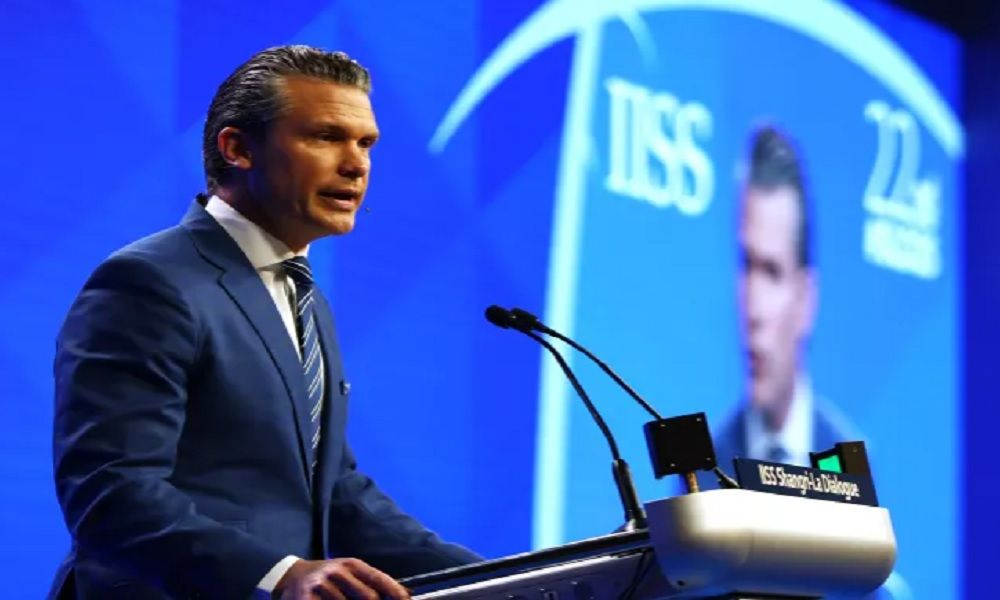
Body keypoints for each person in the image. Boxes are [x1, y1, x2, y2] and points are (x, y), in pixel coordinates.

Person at [49, 45, 480, 600]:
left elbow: (337, 494)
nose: (356, 165)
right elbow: (109, 492)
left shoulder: (302, 295)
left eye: (365, 143)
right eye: (326, 137)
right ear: (237, 149)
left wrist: (511, 579)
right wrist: (279, 574)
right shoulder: (150, 281)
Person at [709, 126, 856, 483]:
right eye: (747, 266)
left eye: (771, 272)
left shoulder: (843, 457)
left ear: (806, 299)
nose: (753, 309)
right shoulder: (706, 469)